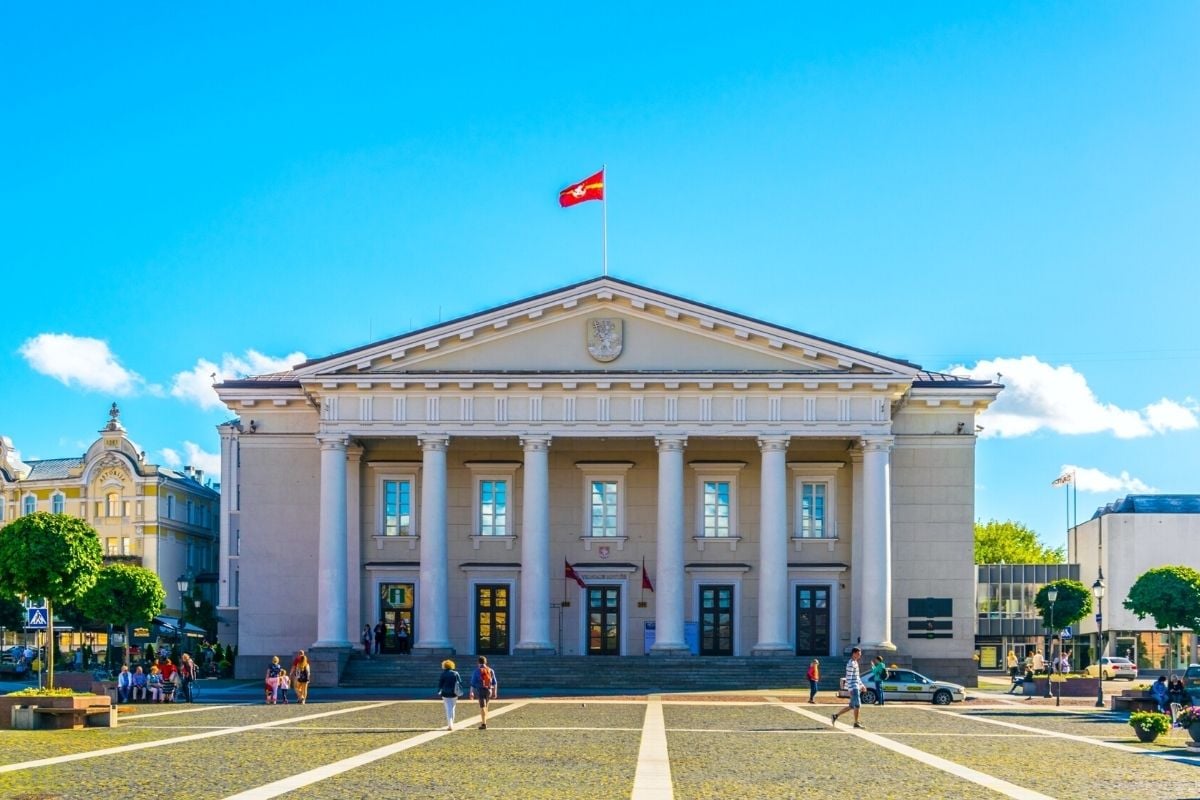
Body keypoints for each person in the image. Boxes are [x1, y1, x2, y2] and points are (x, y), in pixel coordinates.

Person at [832, 647, 865, 728]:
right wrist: (849, 689)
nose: (859, 656)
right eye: (858, 654)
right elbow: (848, 677)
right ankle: (856, 723)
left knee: (851, 706)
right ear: (854, 653)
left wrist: (862, 685)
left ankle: (835, 716)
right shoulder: (850, 663)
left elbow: (857, 677)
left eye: (860, 654)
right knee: (857, 705)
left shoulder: (855, 663)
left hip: (856, 686)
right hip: (854, 687)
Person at [469, 655, 498, 729]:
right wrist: (495, 692)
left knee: (482, 707)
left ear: (478, 662)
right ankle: (485, 720)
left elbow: (472, 683)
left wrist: (471, 692)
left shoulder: (476, 671)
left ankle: (484, 723)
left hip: (480, 690)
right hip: (489, 690)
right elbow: (494, 682)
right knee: (486, 706)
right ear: (486, 662)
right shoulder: (491, 670)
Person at [437, 659, 464, 730]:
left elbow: (440, 684)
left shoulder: (443, 674)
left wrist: (439, 691)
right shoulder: (456, 673)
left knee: (448, 708)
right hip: (454, 693)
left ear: (444, 666)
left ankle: (450, 724)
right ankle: (452, 723)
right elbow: (460, 682)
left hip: (445, 693)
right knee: (453, 708)